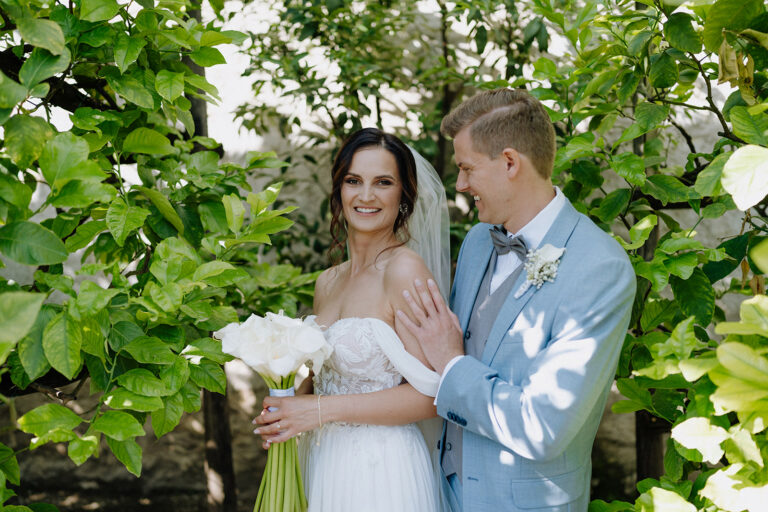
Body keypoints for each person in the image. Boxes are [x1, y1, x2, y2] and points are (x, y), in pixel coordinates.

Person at [396, 88, 636, 511]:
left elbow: (543, 425)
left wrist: (451, 363)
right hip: (445, 494)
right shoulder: (476, 243)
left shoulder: (600, 268)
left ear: (509, 162)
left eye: (467, 168)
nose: (461, 184)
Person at [253, 127, 451, 512]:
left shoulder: (405, 271)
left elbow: (432, 396)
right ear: (339, 189)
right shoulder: (328, 281)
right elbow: (324, 379)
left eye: (383, 182)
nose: (365, 195)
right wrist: (287, 408)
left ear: (404, 196)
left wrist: (320, 411)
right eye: (353, 181)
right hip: (324, 459)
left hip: (382, 469)